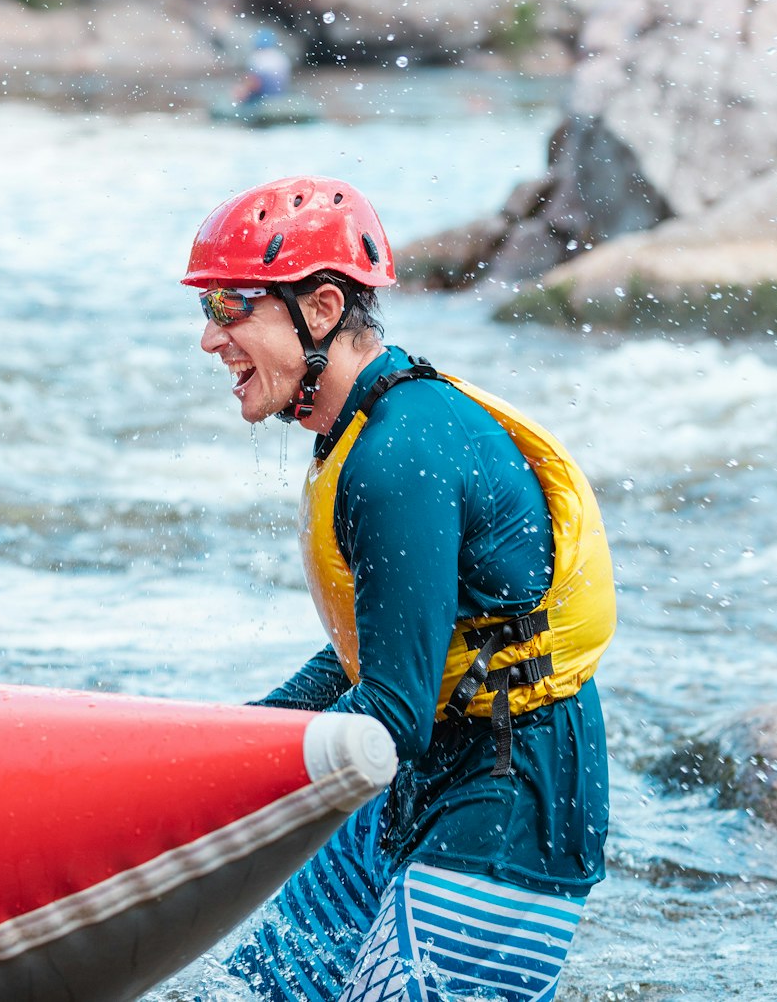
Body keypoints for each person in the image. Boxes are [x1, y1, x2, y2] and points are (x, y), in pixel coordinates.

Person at [183, 176, 615, 1002]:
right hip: (430, 779)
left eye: (231, 306)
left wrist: (233, 781)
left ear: (319, 307)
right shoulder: (363, 431)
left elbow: (391, 710)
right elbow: (373, 655)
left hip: (510, 808)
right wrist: (228, 738)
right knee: (244, 994)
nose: (211, 340)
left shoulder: (397, 453)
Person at [236, 28, 293, 105]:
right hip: (280, 92)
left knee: (243, 87)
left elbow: (253, 80)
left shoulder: (256, 57)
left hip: (263, 92)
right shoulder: (281, 57)